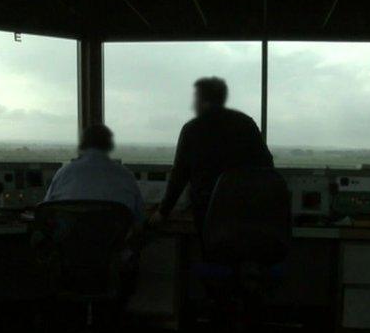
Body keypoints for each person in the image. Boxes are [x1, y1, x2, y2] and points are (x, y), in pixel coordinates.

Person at [150, 76, 274, 234]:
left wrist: (163, 212)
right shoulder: (246, 124)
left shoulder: (192, 129)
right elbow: (267, 165)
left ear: (203, 100)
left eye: (195, 98)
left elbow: (180, 174)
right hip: (245, 208)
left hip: (208, 209)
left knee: (212, 251)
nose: (193, 104)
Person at [44, 124, 144, 224]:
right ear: (109, 144)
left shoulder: (63, 173)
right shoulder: (126, 176)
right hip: (114, 238)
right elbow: (138, 218)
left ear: (83, 144)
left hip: (70, 238)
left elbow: (46, 209)